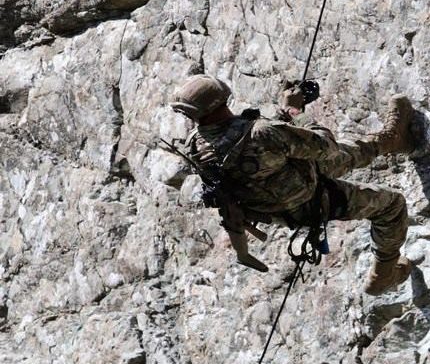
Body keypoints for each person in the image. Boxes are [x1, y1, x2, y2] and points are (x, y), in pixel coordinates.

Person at [169, 74, 414, 295]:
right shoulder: (262, 133)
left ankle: (392, 140)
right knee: (392, 205)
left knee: (346, 153)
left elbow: (259, 148)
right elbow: (325, 145)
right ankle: (384, 273)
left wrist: (281, 116)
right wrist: (296, 113)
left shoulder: (195, 146)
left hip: (277, 204)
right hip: (311, 199)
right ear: (223, 97)